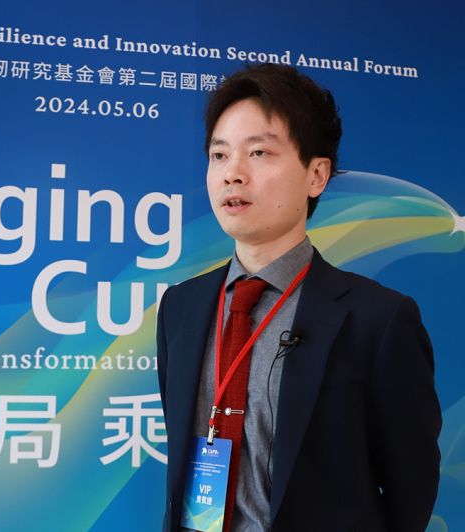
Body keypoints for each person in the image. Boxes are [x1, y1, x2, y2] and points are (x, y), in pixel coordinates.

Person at [156, 63, 441, 532]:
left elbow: (411, 490)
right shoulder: (180, 308)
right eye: (219, 155)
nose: (233, 174)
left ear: (316, 175)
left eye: (259, 152)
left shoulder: (379, 319)